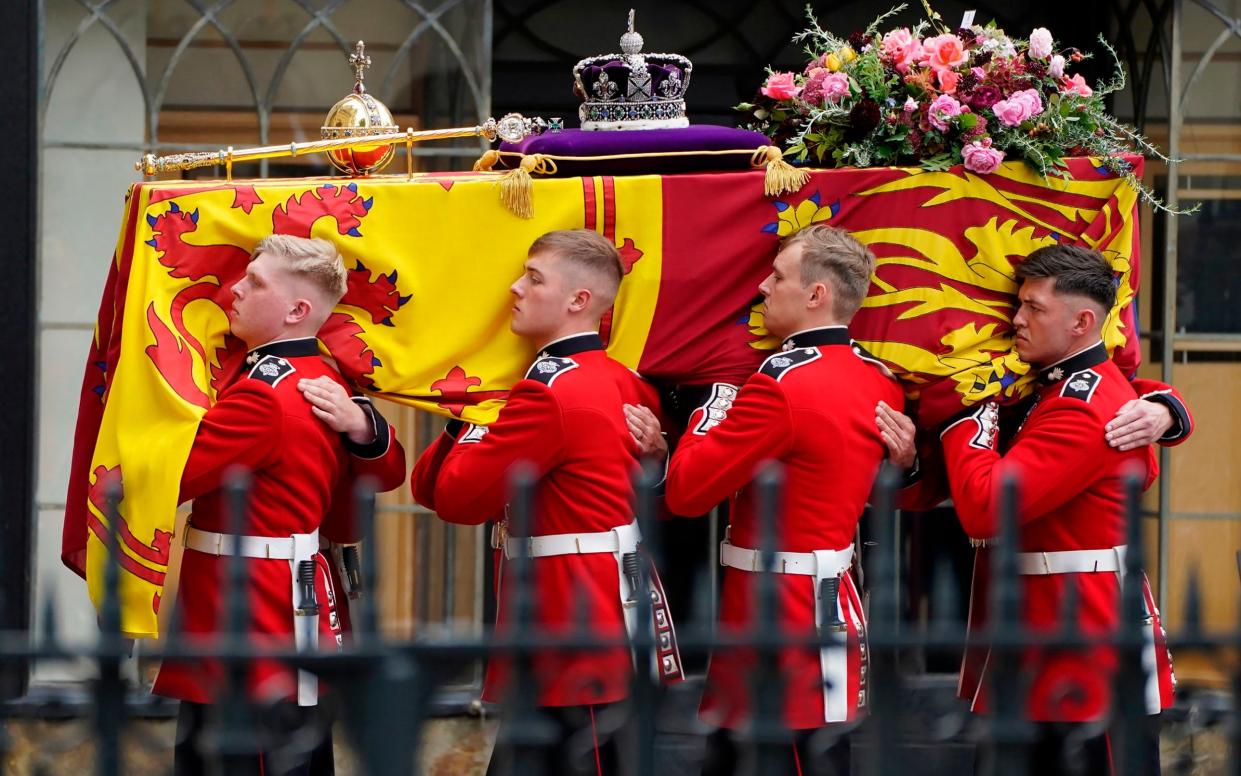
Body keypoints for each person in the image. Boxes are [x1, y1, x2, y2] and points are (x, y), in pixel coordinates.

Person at [410, 229, 680, 776]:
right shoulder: (622, 380)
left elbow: (457, 498)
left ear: (579, 301)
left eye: (533, 279)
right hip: (604, 601)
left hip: (569, 613)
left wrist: (472, 414)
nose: (514, 288)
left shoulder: (546, 393)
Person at [152, 235, 406, 776]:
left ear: (297, 310)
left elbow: (171, 477)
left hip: (251, 611)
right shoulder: (322, 375)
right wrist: (366, 426)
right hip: (292, 598)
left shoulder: (264, 392)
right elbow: (384, 469)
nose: (235, 289)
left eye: (256, 282)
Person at [659, 224, 902, 776]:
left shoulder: (781, 386)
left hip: (778, 612)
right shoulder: (877, 378)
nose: (764, 288)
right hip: (827, 598)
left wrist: (714, 400)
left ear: (816, 294)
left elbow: (689, 492)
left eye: (777, 277)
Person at [938, 244, 1177, 775]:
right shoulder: (1062, 386)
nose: (1016, 320)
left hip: (1079, 642)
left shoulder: (1080, 404)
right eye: (1017, 305)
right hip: (1043, 633)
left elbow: (985, 509)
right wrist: (1168, 404)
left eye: (1034, 308)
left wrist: (960, 421)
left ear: (1082, 321)